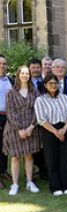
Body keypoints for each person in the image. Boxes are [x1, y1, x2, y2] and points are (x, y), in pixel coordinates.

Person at [3, 65, 41, 195]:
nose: (25, 75)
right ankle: (15, 184)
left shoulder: (34, 92)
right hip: (15, 129)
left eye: (27, 74)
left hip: (31, 127)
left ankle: (30, 182)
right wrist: (19, 129)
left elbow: (38, 110)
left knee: (29, 156)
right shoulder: (11, 93)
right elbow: (10, 112)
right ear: (18, 75)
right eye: (22, 73)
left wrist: (31, 127)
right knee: (15, 157)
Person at [34, 74, 67, 196]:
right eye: (50, 83)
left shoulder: (65, 98)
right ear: (45, 85)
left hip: (65, 130)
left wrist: (63, 130)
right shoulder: (40, 100)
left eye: (55, 83)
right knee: (51, 160)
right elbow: (41, 120)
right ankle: (55, 186)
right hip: (49, 131)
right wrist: (55, 132)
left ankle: (65, 185)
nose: (53, 85)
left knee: (65, 158)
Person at [0, 55, 14, 189]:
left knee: (5, 145)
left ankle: (3, 171)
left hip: (7, 117)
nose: (2, 66)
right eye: (0, 63)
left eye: (4, 64)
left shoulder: (10, 80)